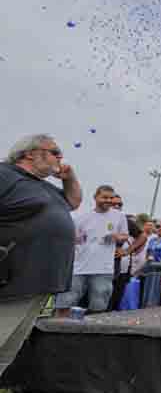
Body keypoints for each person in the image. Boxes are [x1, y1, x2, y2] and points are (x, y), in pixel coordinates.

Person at [0, 134, 81, 376]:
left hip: (40, 280)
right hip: (13, 277)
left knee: (7, 351)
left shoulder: (42, 186)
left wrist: (70, 178)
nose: (60, 158)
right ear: (30, 153)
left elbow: (73, 202)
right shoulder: (5, 174)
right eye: (55, 152)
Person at [55, 185, 128, 316]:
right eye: (105, 197)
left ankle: (93, 332)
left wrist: (117, 237)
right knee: (65, 302)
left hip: (103, 269)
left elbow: (124, 236)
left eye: (111, 198)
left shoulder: (120, 216)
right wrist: (76, 238)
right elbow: (70, 238)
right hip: (78, 268)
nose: (109, 200)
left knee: (99, 306)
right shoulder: (81, 216)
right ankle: (58, 328)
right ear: (95, 197)